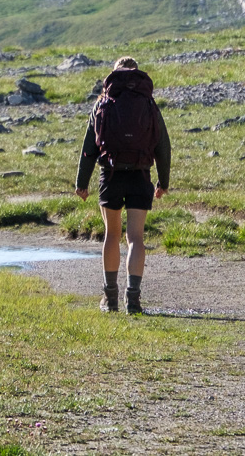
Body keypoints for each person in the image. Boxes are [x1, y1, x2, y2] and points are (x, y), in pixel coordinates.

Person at [75, 57, 170, 314]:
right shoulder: (148, 103)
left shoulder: (103, 103)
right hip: (141, 176)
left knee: (112, 236)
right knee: (135, 238)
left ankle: (110, 297)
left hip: (111, 176)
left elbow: (89, 148)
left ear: (114, 73)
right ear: (137, 73)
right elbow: (163, 146)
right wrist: (163, 182)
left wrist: (81, 184)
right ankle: (134, 299)